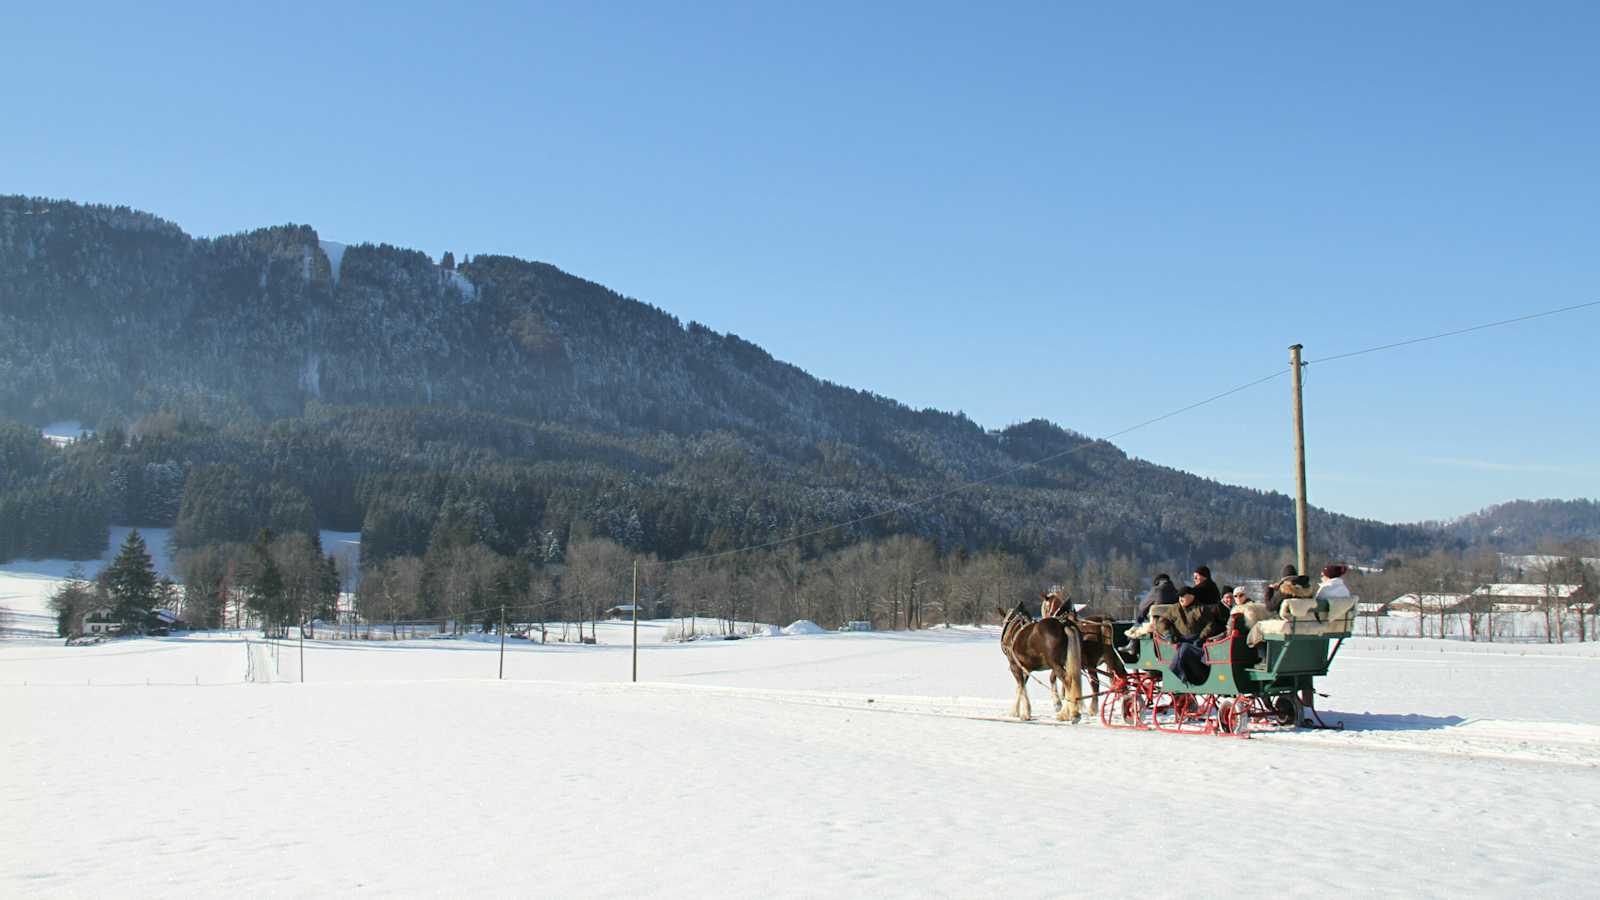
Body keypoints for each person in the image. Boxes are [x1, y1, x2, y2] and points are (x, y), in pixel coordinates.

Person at [1155, 586, 1225, 685]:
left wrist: (1201, 637)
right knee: (1183, 648)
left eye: (1183, 596)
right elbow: (1162, 622)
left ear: (1191, 596)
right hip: (1179, 641)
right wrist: (1168, 634)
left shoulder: (1201, 609)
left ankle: (1187, 674)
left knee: (1185, 649)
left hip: (1198, 643)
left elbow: (1210, 625)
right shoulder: (1174, 609)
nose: (1180, 599)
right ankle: (1180, 673)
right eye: (1179, 597)